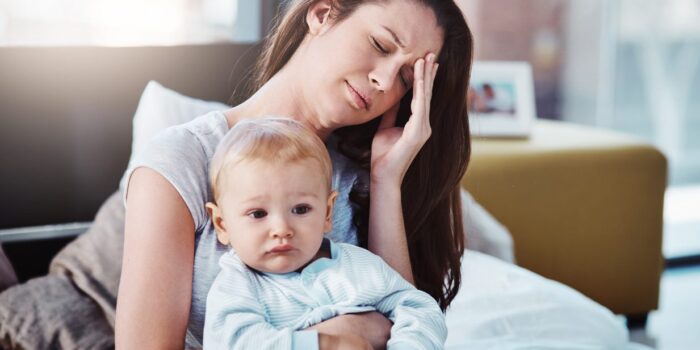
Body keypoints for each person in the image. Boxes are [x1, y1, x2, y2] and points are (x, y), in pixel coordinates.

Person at [116, 0, 473, 348]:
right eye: (380, 44)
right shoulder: (183, 161)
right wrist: (331, 337)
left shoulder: (361, 181)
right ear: (322, 14)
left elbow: (403, 320)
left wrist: (387, 181)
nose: (384, 80)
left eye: (406, 79)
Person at [202, 117, 446, 350]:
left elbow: (418, 308)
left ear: (327, 213)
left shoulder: (356, 266)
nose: (282, 230)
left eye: (301, 209)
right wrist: (325, 344)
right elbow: (235, 343)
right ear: (222, 224)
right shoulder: (237, 285)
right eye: (257, 214)